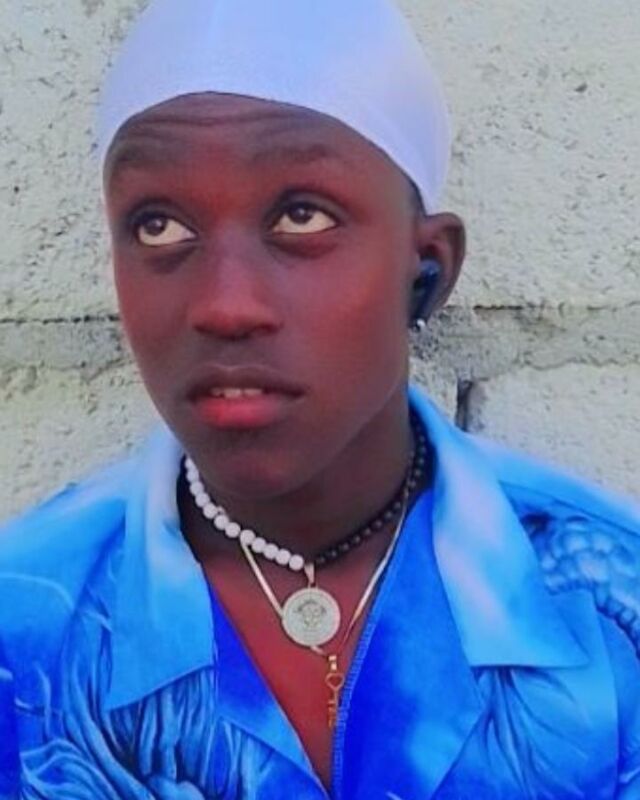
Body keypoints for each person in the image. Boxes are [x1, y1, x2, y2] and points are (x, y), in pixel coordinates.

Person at [1, 0, 640, 797]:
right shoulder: (24, 634)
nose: (226, 306)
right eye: (159, 226)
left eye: (302, 217)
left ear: (427, 269)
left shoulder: (611, 611)